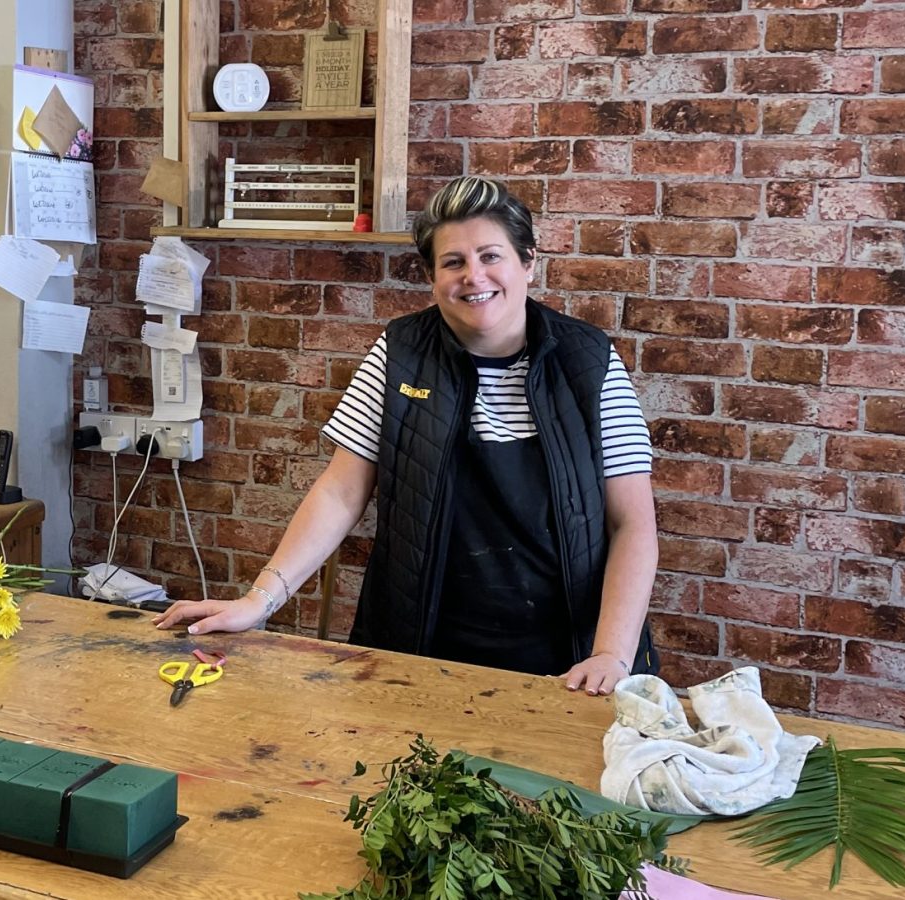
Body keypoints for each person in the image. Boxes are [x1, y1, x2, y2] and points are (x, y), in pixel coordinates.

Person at [154, 176, 659, 696]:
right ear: (432, 275)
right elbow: (340, 490)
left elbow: (632, 522)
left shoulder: (587, 361)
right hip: (419, 646)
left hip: (568, 658)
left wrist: (610, 655)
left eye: (491, 256)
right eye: (453, 262)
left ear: (527, 262)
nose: (473, 276)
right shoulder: (401, 352)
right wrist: (258, 601)